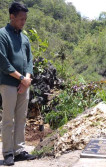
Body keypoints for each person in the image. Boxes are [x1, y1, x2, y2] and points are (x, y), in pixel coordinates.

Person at [0, 2, 36, 166]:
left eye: (25, 19)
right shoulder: (2, 35)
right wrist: (21, 79)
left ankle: (19, 151)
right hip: (8, 83)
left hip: (24, 84)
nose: (23, 22)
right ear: (12, 16)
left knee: (21, 118)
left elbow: (29, 60)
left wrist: (26, 79)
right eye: (21, 19)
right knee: (8, 119)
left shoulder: (24, 37)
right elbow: (3, 62)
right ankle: (8, 153)